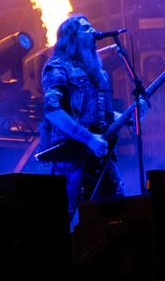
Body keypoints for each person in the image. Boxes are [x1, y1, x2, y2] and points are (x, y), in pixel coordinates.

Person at [40, 14, 139, 224]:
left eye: (92, 26)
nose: (93, 31)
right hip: (71, 156)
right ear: (72, 37)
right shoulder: (58, 67)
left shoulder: (100, 73)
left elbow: (106, 116)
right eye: (85, 28)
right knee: (62, 219)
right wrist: (88, 138)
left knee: (116, 214)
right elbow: (52, 111)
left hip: (99, 155)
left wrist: (131, 115)